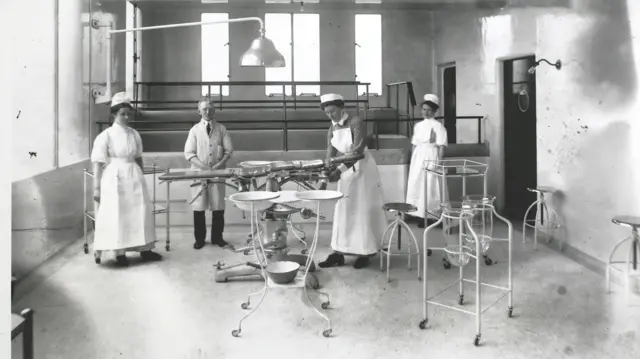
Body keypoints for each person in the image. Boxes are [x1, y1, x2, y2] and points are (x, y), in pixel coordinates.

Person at [91, 92, 162, 267]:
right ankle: (119, 253)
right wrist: (97, 188)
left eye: (128, 113)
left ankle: (145, 249)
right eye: (122, 113)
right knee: (118, 214)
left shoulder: (134, 134)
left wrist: (141, 175)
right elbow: (97, 162)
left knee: (140, 212)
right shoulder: (105, 136)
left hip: (134, 174)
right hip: (114, 177)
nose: (126, 116)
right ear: (114, 114)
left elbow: (138, 157)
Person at [318, 93, 387, 269]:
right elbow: (330, 150)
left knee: (362, 211)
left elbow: (358, 152)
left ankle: (366, 251)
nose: (331, 115)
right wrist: (326, 170)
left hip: (363, 170)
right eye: (327, 113)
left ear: (342, 108)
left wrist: (338, 170)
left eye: (333, 111)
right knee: (344, 211)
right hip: (346, 170)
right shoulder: (332, 127)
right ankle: (339, 252)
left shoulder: (356, 122)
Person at [184, 98, 234, 250]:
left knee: (218, 206)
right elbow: (189, 153)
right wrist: (205, 168)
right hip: (199, 173)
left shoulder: (221, 129)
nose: (208, 112)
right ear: (199, 111)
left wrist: (218, 166)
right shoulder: (194, 130)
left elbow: (229, 150)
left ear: (214, 111)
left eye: (211, 109)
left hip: (218, 172)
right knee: (199, 207)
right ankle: (199, 239)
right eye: (204, 109)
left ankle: (217, 238)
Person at [406, 94, 448, 228]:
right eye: (424, 109)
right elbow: (414, 144)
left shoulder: (438, 126)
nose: (426, 112)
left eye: (429, 110)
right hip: (418, 158)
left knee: (431, 187)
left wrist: (438, 164)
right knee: (418, 186)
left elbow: (441, 146)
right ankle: (421, 216)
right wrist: (413, 162)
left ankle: (434, 217)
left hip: (431, 157)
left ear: (435, 111)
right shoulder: (418, 126)